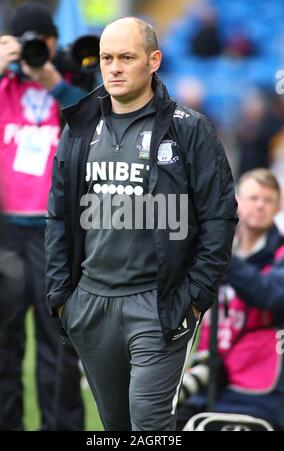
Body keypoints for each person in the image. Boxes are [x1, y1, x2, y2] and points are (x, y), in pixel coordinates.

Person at [45, 17, 238, 431]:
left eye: (126, 58)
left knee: (149, 424)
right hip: (90, 305)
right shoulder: (79, 128)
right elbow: (59, 214)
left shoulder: (191, 130)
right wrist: (64, 296)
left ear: (153, 61)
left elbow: (219, 217)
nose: (114, 68)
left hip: (158, 305)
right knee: (116, 426)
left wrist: (194, 297)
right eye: (106, 58)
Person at [0, 2, 85, 431]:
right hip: (3, 232)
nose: (33, 51)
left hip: (54, 232)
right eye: (25, 43)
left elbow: (93, 121)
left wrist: (54, 82)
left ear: (53, 42)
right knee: (1, 344)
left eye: (40, 42)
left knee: (57, 344)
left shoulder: (70, 82)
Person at [177, 169, 284, 430]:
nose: (259, 205)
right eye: (253, 197)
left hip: (258, 384)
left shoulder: (279, 252)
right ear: (237, 201)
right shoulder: (215, 252)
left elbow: (272, 294)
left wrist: (222, 255)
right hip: (210, 374)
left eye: (268, 200)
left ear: (277, 206)